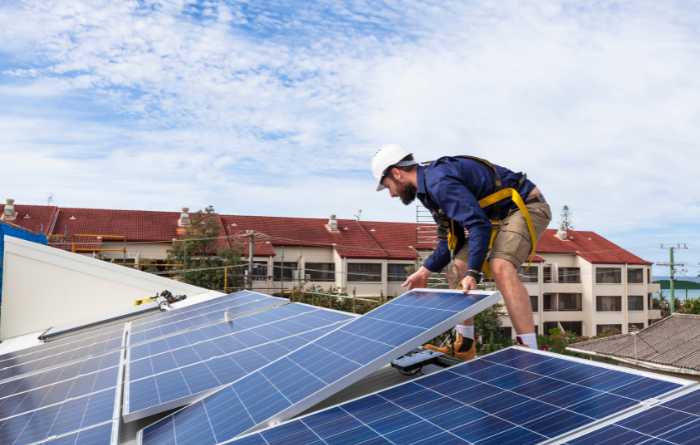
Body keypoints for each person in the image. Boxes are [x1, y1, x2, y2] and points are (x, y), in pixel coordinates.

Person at [372, 144, 551, 359]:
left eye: (388, 186)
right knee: (457, 267)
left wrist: (473, 274)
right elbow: (451, 239)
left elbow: (478, 225)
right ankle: (464, 346)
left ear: (396, 173)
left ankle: (530, 352)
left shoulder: (438, 181)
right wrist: (424, 272)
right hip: (492, 218)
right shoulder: (427, 191)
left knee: (500, 266)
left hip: (525, 205)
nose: (391, 194)